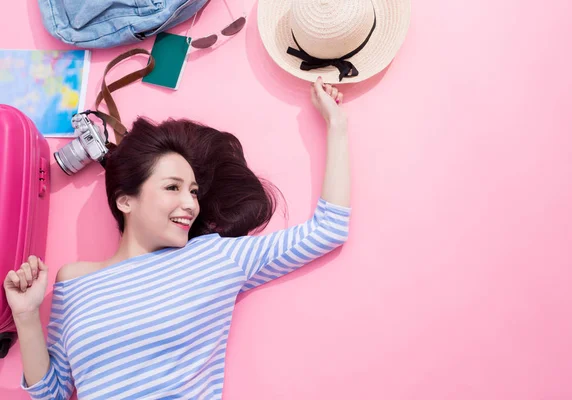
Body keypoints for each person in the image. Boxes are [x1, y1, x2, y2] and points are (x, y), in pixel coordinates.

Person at [3, 77, 351, 400]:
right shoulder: (74, 280)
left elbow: (327, 230)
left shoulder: (214, 257)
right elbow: (53, 393)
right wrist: (27, 314)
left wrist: (337, 126)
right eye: (173, 187)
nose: (190, 204)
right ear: (126, 200)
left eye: (194, 192)